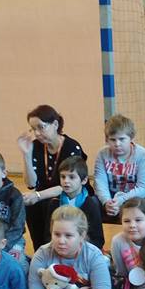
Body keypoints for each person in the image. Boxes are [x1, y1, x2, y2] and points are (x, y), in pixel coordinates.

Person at [17, 104, 86, 251]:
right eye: (33, 129)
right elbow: (31, 184)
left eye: (41, 127)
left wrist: (38, 195)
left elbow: (68, 186)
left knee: (50, 203)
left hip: (71, 193)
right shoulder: (36, 146)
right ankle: (40, 251)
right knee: (29, 205)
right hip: (44, 195)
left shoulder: (71, 147)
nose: (37, 133)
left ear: (55, 124)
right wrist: (26, 155)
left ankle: (55, 249)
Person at [92, 114, 145, 222]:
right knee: (92, 202)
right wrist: (107, 202)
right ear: (107, 140)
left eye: (122, 139)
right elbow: (100, 183)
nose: (117, 144)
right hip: (111, 198)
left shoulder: (143, 155)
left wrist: (121, 200)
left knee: (139, 206)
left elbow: (144, 188)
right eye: (112, 140)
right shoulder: (102, 154)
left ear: (131, 138)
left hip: (135, 197)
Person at [44, 156, 105, 249]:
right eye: (63, 177)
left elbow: (98, 239)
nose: (66, 181)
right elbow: (48, 236)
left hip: (83, 250)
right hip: (59, 248)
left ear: (84, 180)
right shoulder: (54, 203)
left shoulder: (91, 204)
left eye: (72, 177)